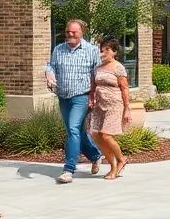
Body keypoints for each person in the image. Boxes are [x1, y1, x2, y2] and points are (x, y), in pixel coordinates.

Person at [45, 19, 102, 184]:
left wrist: (94, 95)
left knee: (72, 129)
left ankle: (68, 170)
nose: (70, 35)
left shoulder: (91, 50)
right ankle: (95, 155)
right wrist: (49, 74)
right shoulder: (59, 49)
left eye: (74, 32)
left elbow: (97, 74)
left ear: (81, 32)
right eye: (68, 32)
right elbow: (51, 66)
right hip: (63, 96)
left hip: (82, 96)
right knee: (77, 130)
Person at [88, 37, 132, 180]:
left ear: (114, 52)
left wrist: (127, 108)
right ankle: (112, 165)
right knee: (96, 135)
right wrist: (91, 98)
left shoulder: (118, 67)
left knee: (107, 135)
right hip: (99, 105)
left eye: (107, 49)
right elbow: (93, 87)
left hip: (114, 104)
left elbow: (124, 89)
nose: (104, 52)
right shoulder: (98, 67)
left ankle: (121, 160)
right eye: (103, 48)